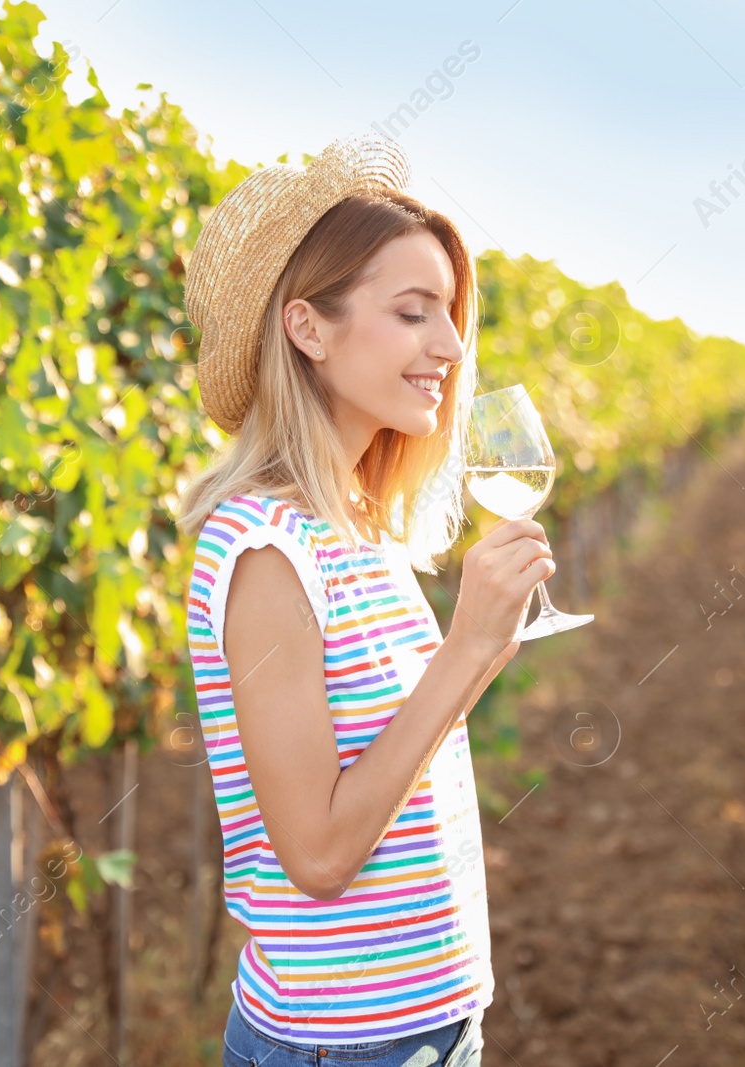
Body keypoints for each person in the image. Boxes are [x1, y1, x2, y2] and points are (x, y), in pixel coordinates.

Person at [174, 132, 555, 1067]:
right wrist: (465, 652)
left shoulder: (357, 524)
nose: (451, 344)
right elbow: (318, 854)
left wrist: (482, 650)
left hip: (424, 1026)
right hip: (345, 1046)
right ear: (308, 327)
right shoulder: (266, 549)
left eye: (451, 313)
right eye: (413, 312)